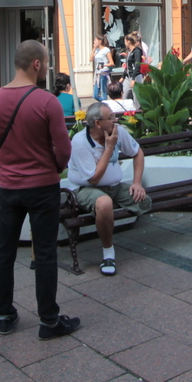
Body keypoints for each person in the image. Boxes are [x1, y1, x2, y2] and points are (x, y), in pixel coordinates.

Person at [0, 40, 80, 339]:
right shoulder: (47, 102)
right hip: (43, 187)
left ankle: (4, 315)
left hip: (8, 188)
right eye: (46, 62)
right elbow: (64, 150)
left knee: (5, 253)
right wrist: (53, 167)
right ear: (37, 64)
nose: (47, 67)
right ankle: (49, 321)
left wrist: (7, 164)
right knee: (46, 253)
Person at [64, 103, 151, 276]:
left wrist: (137, 183)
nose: (115, 120)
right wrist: (110, 146)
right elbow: (94, 178)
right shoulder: (80, 142)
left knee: (144, 201)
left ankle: (107, 215)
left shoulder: (118, 131)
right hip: (85, 189)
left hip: (114, 187)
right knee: (104, 204)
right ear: (97, 123)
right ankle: (108, 253)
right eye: (110, 117)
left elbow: (137, 152)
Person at [92, 35, 114, 102]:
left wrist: (103, 65)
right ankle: (105, 103)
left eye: (95, 40)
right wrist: (94, 49)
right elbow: (90, 59)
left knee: (103, 93)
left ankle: (105, 105)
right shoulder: (97, 50)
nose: (94, 41)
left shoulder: (106, 50)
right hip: (97, 73)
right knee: (95, 95)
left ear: (100, 41)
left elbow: (111, 63)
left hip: (104, 72)